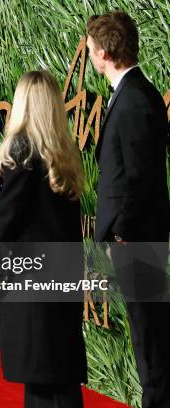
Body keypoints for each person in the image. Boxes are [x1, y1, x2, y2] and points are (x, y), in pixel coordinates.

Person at [0, 70, 87, 407]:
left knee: (41, 379)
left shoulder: (22, 150)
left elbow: (7, 221)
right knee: (61, 376)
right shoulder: (64, 152)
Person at [86, 12, 170, 407]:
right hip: (136, 235)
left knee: (150, 338)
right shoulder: (133, 92)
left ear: (104, 52)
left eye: (90, 49)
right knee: (146, 334)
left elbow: (139, 176)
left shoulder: (135, 98)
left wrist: (122, 232)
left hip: (138, 237)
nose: (88, 55)